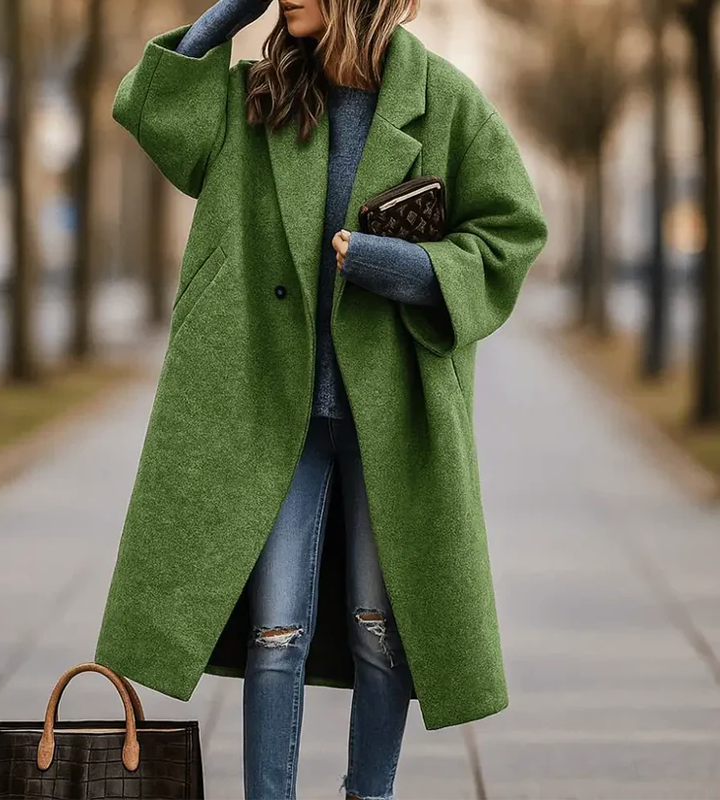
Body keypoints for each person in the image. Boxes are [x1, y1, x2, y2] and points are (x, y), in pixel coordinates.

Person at [94, 1, 548, 798]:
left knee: (380, 632)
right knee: (275, 634)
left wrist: (397, 266)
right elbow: (155, 110)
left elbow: (510, 236)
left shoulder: (446, 102)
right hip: (272, 411)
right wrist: (226, 13)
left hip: (390, 415)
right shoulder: (258, 96)